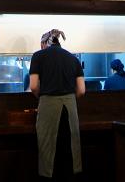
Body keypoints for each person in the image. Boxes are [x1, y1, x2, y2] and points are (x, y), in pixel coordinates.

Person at [29, 29, 85, 181]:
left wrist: (43, 97)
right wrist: (69, 98)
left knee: (48, 152)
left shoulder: (38, 56)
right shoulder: (73, 58)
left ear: (43, 43)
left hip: (48, 106)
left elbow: (33, 86)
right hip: (70, 108)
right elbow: (81, 90)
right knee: (70, 150)